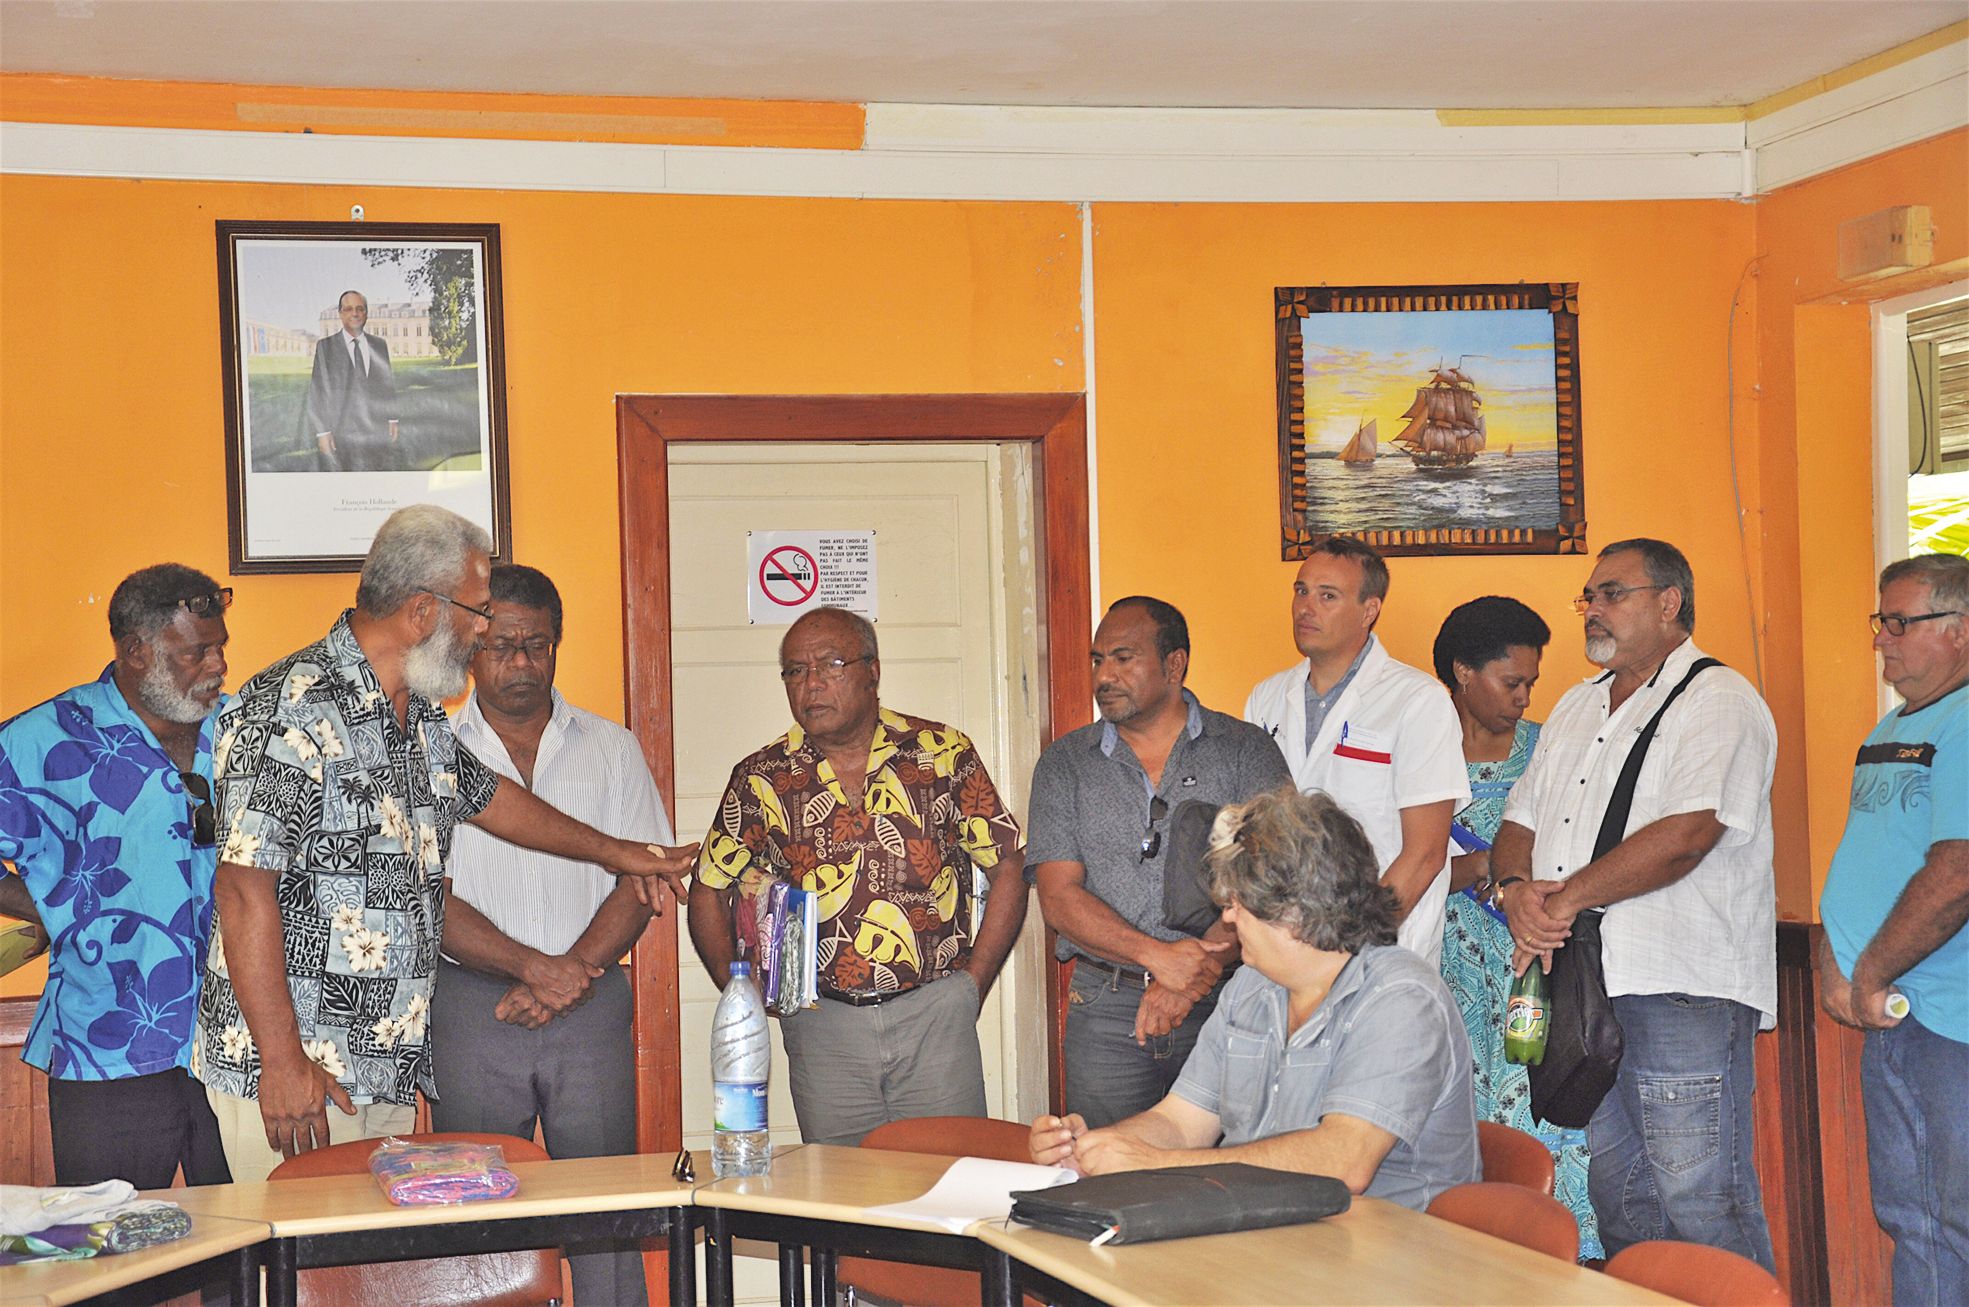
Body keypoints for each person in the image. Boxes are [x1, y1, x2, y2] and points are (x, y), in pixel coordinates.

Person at [192, 505, 697, 1182]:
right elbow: (242, 889)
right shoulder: (287, 706)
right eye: (480, 610)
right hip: (300, 1071)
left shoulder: (417, 713)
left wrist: (621, 852)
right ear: (425, 611)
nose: (485, 630)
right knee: (302, 1280)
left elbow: (491, 799)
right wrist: (282, 1059)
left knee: (376, 1279)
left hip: (383, 1063)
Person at [1494, 538, 1777, 1269]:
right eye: (1587, 596)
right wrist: (1514, 892)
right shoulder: (1575, 705)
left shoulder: (1718, 698)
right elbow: (1518, 823)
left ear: (1668, 602)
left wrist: (1560, 903)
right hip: (1589, 983)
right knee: (1623, 1197)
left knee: (1699, 1195)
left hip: (1678, 981)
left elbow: (1687, 833)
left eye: (1610, 592)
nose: (1592, 609)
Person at [1028, 787, 1479, 1212]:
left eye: (1239, 901)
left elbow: (1343, 1163)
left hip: (1394, 1266)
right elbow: (1183, 1122)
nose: (1227, 915)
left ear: (1296, 912)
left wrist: (1149, 1163)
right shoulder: (1251, 986)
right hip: (1278, 1239)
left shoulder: (1401, 999)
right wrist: (1092, 1149)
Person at [686, 606, 1026, 1147]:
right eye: (795, 671)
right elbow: (707, 887)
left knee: (949, 1181)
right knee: (844, 1202)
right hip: (823, 1026)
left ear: (872, 671)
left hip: (935, 1012)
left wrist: (973, 984)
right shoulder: (761, 777)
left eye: (830, 664)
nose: (811, 684)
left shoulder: (942, 754)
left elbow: (1007, 862)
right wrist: (741, 991)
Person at [432, 564, 669, 1307]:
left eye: (538, 644)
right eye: (502, 644)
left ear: (558, 645)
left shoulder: (612, 748)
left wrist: (570, 970)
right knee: (475, 1218)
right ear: (471, 647)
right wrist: (532, 967)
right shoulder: (430, 752)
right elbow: (422, 897)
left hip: (589, 1000)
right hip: (472, 1005)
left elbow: (643, 877)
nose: (522, 663)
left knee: (604, 1212)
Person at [0, 565, 233, 1188]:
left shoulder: (247, 731)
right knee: (110, 1262)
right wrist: (58, 904)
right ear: (136, 651)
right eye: (196, 652)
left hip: (242, 1044)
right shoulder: (44, 741)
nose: (218, 665)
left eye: (220, 646)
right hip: (106, 1046)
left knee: (255, 1254)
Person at [1028, 596, 1291, 1128]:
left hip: (1231, 998)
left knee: (1228, 1180)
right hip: (1107, 1007)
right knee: (1107, 1172)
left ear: (1175, 664)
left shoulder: (1244, 750)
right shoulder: (1065, 764)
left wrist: (1199, 969)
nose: (1105, 675)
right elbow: (1058, 898)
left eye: (1124, 658)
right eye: (1098, 660)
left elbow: (1271, 876)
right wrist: (1159, 959)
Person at [1818, 553, 1969, 1305]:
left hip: (1950, 1019)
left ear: (1960, 630)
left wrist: (1868, 970)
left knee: (1954, 1219)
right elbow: (1865, 859)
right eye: (1881, 621)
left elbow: (1957, 872)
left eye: (1900, 621)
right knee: (1915, 1219)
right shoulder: (1893, 725)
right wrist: (1831, 958)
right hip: (1893, 1014)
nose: (1882, 638)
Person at [1431, 596, 1600, 1260]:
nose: (1526, 697)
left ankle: (1568, 1262)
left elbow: (1583, 855)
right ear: (1461, 671)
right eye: (1511, 681)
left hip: (1537, 975)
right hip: (1443, 974)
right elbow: (1389, 871)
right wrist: (1473, 865)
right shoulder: (1421, 757)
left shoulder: (1551, 752)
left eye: (1532, 681)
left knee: (1551, 1120)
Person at [1244, 537, 1468, 961]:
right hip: (1283, 951)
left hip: (1380, 950)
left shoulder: (1417, 700)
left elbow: (1424, 854)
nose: (1306, 607)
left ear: (1370, 610)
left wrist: (1347, 946)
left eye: (1327, 595)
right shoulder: (1266, 698)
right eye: (1301, 591)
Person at [306, 290, 400, 472]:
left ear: (366, 313)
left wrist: (392, 418)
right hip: (341, 430)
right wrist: (323, 432)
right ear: (340, 313)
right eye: (348, 309)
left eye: (359, 309)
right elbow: (318, 390)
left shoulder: (379, 345)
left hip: (376, 427)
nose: (354, 313)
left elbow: (387, 384)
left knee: (378, 472)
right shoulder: (326, 347)